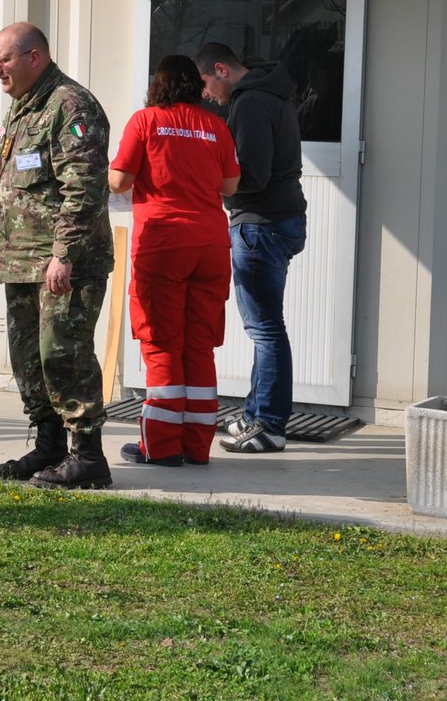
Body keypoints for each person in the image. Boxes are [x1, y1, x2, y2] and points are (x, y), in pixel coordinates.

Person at [0, 22, 115, 489]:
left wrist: (65, 253)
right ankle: (50, 446)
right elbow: (3, 185)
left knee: (65, 354)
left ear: (35, 57)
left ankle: (88, 457)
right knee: (29, 359)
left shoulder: (70, 106)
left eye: (4, 60)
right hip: (21, 259)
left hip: (65, 262)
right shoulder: (20, 111)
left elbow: (85, 186)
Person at [109, 55, 240, 466]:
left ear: (158, 84)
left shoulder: (145, 121)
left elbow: (118, 180)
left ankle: (162, 448)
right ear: (196, 87)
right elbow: (230, 185)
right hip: (211, 244)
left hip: (164, 243)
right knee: (199, 343)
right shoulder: (216, 127)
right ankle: (196, 446)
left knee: (163, 342)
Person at [195, 41, 308, 454]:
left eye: (206, 82)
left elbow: (253, 175)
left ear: (221, 70)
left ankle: (271, 425)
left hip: (261, 225)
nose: (206, 94)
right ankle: (256, 412)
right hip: (281, 219)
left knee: (265, 329)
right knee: (265, 327)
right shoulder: (270, 92)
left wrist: (208, 181)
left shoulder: (251, 103)